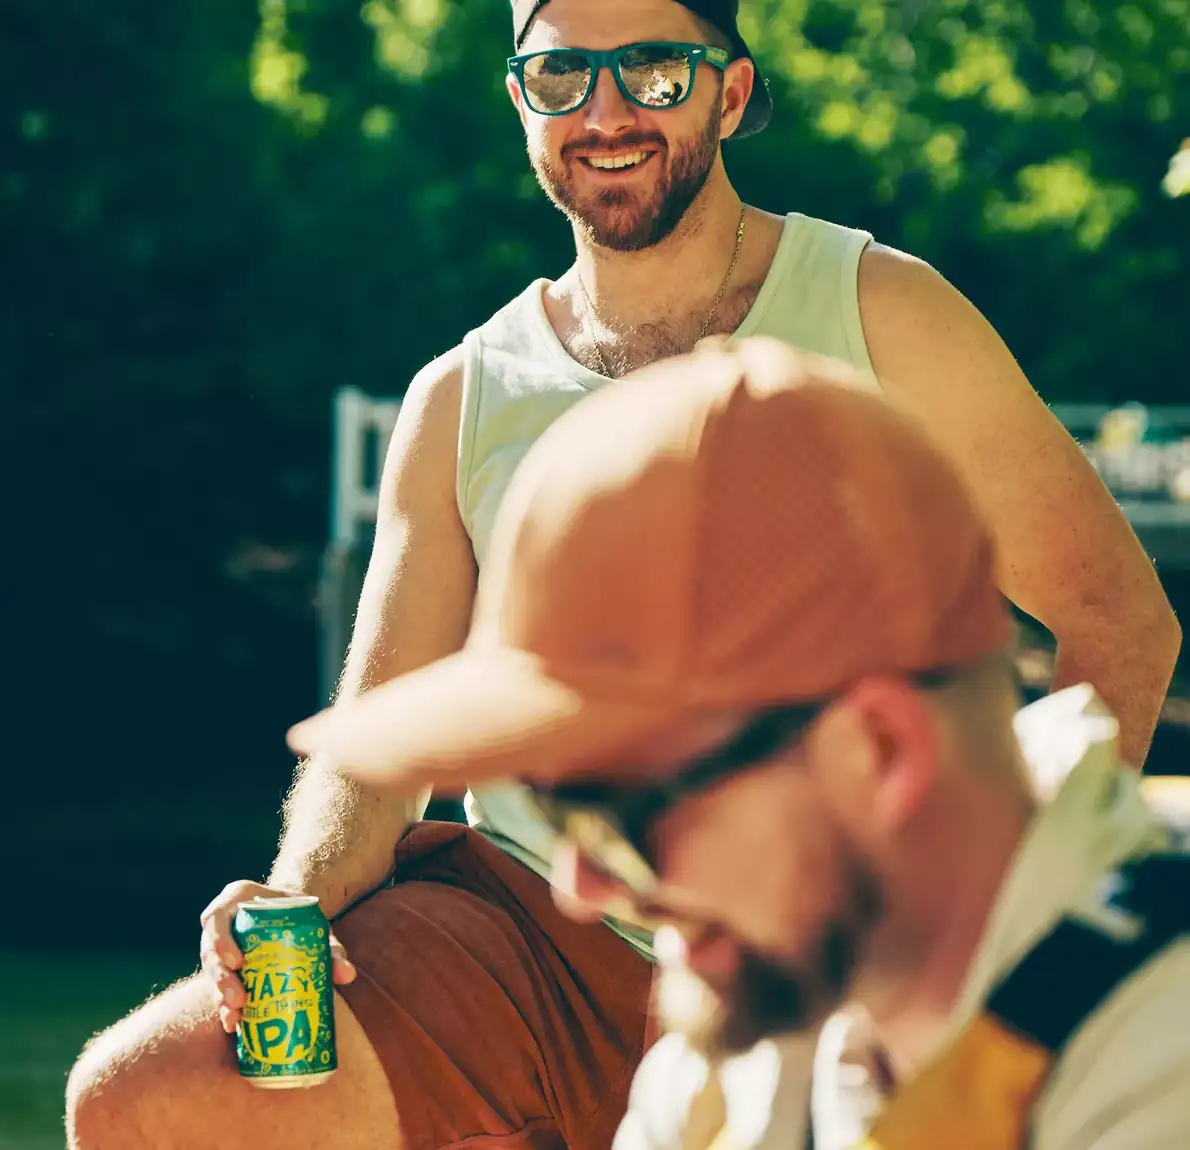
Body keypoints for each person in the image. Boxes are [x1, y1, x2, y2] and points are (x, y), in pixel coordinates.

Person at [66, 0, 1179, 1145]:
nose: (603, 112)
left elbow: (1116, 622)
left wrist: (1010, 924)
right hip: (531, 941)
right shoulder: (460, 392)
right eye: (559, 75)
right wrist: (291, 894)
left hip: (836, 914)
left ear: (731, 94)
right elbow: (380, 737)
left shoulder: (885, 310)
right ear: (518, 102)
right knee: (146, 1096)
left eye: (651, 70)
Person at [289, 338, 1190, 1150]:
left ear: (879, 751)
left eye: (618, 811)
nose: (582, 886)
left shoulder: (1160, 1050)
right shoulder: (750, 1043)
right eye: (554, 805)